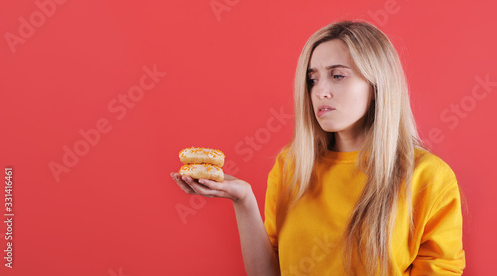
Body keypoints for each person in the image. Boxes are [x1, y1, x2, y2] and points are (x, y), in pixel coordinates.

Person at [170, 20, 466, 276]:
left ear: (377, 86)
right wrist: (244, 200)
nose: (319, 91)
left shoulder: (428, 177)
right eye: (312, 79)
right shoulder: (292, 165)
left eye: (337, 75)